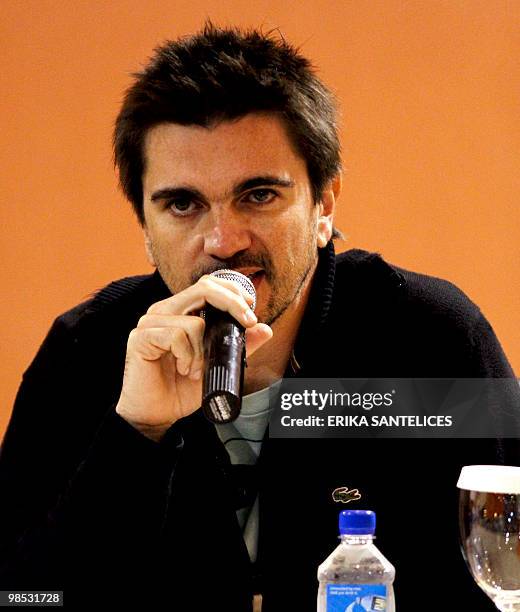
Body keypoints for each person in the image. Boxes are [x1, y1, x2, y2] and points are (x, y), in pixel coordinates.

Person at [0, 22, 518, 611]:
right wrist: (134, 438)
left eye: (259, 195)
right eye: (182, 204)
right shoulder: (84, 353)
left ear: (323, 207)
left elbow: (508, 576)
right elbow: (24, 596)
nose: (222, 240)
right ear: (144, 226)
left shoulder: (431, 340)